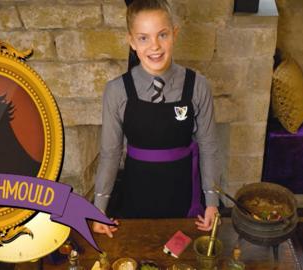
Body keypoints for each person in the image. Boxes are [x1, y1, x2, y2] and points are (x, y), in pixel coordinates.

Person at [92, 0, 220, 238]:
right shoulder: (117, 91)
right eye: (143, 38)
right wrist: (99, 206)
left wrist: (212, 200)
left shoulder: (198, 85)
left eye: (163, 35)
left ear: (175, 33)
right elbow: (110, 153)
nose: (155, 46)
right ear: (131, 41)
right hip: (137, 192)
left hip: (184, 193)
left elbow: (209, 146)